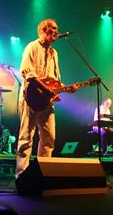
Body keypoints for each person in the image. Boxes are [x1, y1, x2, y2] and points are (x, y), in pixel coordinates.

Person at [16, 19, 77, 178]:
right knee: (26, 138)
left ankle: (41, 174)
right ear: (43, 30)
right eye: (53, 29)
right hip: (31, 98)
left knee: (49, 138)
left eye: (57, 29)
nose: (56, 32)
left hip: (47, 100)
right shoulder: (32, 47)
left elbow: (54, 79)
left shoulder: (54, 53)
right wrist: (47, 89)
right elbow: (27, 73)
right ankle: (21, 176)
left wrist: (66, 88)